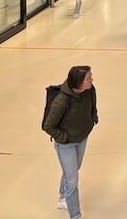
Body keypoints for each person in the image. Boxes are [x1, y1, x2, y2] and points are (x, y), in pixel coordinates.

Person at [43, 65, 98, 219]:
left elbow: (93, 106)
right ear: (78, 83)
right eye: (88, 78)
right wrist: (65, 138)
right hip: (66, 144)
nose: (91, 80)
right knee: (72, 180)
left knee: (73, 170)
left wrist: (93, 119)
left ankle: (62, 195)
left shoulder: (90, 90)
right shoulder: (62, 100)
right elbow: (48, 126)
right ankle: (75, 215)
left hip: (82, 138)